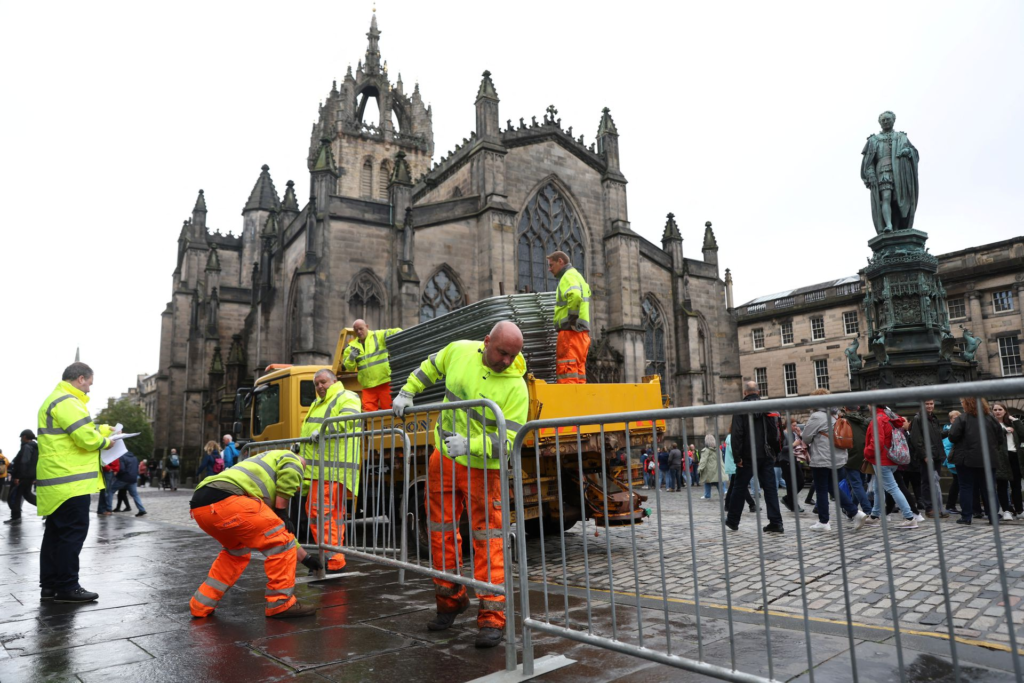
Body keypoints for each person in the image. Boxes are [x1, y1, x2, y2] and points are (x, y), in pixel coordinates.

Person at [392, 321, 528, 648]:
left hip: (484, 469)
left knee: (489, 538)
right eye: (502, 352)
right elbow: (431, 365)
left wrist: (471, 445)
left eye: (513, 355)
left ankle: (492, 618)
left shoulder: (516, 388)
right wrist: (409, 390)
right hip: (444, 458)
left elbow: (509, 442)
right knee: (439, 530)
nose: (507, 361)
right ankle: (450, 602)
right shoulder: (459, 351)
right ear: (486, 342)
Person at [189, 448, 321, 619]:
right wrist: (282, 510)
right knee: (280, 543)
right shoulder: (292, 458)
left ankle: (200, 605)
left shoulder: (257, 469)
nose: (296, 487)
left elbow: (278, 531)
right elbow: (291, 470)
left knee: (236, 553)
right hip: (228, 501)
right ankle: (280, 603)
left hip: (202, 507)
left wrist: (306, 559)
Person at [36, 362, 114, 603]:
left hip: (56, 481)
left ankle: (49, 587)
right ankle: (68, 586)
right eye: (89, 383)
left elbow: (74, 432)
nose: (89, 389)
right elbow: (85, 438)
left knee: (55, 535)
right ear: (80, 379)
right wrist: (106, 442)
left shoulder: (56, 399)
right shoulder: (68, 401)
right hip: (70, 481)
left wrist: (102, 428)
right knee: (72, 534)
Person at [299, 368, 361, 573]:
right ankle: (333, 557)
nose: (319, 387)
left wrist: (325, 429)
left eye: (323, 382)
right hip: (323, 471)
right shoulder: (318, 403)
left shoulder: (346, 396)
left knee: (320, 513)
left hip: (332, 470)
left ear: (334, 381)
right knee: (331, 515)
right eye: (316, 384)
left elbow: (351, 420)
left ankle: (334, 560)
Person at [801, 389, 868, 532]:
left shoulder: (817, 416)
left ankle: (824, 522)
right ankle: (855, 512)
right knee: (832, 487)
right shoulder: (835, 415)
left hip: (822, 457)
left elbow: (806, 437)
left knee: (821, 489)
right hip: (837, 457)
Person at [725, 380, 783, 534]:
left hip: (747, 455)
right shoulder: (766, 407)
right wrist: (775, 452)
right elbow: (774, 433)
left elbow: (737, 434)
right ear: (758, 392)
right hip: (766, 454)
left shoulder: (741, 408)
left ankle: (732, 521)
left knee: (739, 487)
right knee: (770, 489)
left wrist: (737, 457)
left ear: (745, 393)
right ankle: (776, 522)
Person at [948, 398, 1011, 525]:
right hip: (988, 458)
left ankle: (966, 517)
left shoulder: (962, 418)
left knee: (966, 487)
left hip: (966, 459)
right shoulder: (991, 419)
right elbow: (1000, 437)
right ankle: (993, 516)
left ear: (967, 404)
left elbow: (952, 436)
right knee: (989, 488)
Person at [864, 405, 917, 529]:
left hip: (882, 460)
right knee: (878, 487)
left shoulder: (878, 419)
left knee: (893, 488)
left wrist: (867, 452)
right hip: (892, 458)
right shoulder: (890, 416)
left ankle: (909, 517)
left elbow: (878, 441)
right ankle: (874, 516)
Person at [547, 251, 591, 384]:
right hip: (582, 334)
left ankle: (568, 402)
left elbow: (575, 295)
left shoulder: (568, 276)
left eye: (551, 265)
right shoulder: (578, 276)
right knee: (579, 371)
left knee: (567, 372)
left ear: (560, 261)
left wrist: (572, 318)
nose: (549, 269)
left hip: (570, 333)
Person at [343, 319, 402, 412]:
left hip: (384, 382)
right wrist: (350, 358)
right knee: (369, 413)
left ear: (367, 327)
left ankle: (392, 427)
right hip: (368, 386)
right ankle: (374, 427)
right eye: (356, 330)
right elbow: (349, 367)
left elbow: (393, 332)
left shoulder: (378, 336)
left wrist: (399, 333)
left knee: (390, 410)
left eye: (361, 329)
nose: (359, 332)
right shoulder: (351, 347)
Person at [910, 400, 949, 519]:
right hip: (927, 456)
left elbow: (937, 436)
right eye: (927, 404)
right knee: (927, 481)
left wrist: (950, 432)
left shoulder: (934, 418)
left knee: (935, 481)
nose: (929, 406)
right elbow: (916, 439)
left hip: (936, 455)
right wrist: (925, 455)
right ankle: (929, 508)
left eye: (931, 403)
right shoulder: (918, 418)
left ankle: (937, 506)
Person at [991, 403, 1023, 520]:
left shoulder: (1012, 423)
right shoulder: (991, 424)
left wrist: (1015, 420)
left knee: (1016, 485)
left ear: (1005, 411)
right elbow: (991, 438)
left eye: (1000, 409)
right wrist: (1004, 430)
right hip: (1000, 457)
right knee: (1002, 485)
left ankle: (1019, 510)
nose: (998, 412)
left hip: (1014, 455)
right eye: (995, 410)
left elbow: (1023, 434)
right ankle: (1006, 510)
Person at [840, 406, 872, 514]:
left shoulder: (843, 421)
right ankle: (851, 509)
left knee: (856, 484)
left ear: (845, 408)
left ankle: (867, 510)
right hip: (864, 453)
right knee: (860, 484)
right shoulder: (864, 420)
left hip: (850, 454)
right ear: (857, 408)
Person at [6, 430, 39, 525]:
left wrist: (17, 477)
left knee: (14, 496)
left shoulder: (27, 447)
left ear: (24, 437)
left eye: (21, 437)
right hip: (29, 476)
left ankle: (16, 517)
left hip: (23, 477)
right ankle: (49, 509)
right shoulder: (35, 447)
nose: (20, 439)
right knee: (27, 495)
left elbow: (24, 463)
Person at [111, 450, 147, 517]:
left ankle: (108, 509)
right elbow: (137, 468)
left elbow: (122, 469)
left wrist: (116, 475)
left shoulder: (122, 457)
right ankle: (141, 509)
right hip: (133, 478)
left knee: (110, 491)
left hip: (123, 478)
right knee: (135, 495)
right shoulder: (135, 458)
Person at [698, 434, 727, 499]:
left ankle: (707, 495)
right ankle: (721, 494)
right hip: (717, 470)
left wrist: (699, 469)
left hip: (709, 470)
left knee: (707, 482)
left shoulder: (705, 450)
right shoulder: (718, 449)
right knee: (717, 483)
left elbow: (703, 461)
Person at [943, 411, 961, 514]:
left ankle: (951, 505)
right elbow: (947, 448)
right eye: (954, 418)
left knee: (957, 484)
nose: (957, 420)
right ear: (951, 420)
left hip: (956, 461)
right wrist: (951, 463)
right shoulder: (949, 431)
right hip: (954, 462)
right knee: (957, 484)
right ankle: (950, 505)